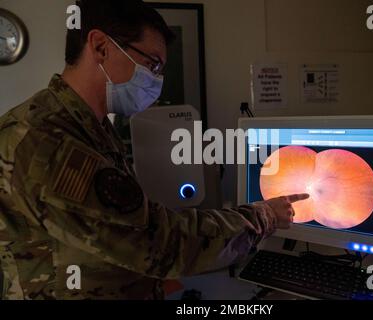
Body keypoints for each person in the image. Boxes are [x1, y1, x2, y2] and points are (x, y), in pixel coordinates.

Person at [0, 0, 309, 300]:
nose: (157, 81)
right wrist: (262, 216)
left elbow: (113, 234)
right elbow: (159, 242)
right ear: (100, 47)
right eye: (152, 64)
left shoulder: (91, 128)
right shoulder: (45, 140)